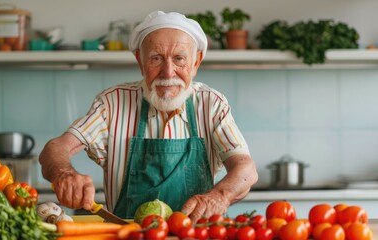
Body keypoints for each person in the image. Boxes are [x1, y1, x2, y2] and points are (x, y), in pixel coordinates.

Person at [39, 10, 258, 222]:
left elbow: (245, 168)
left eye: (179, 58)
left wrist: (219, 197)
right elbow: (56, 147)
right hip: (127, 235)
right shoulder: (112, 103)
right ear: (140, 60)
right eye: (156, 59)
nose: (168, 72)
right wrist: (63, 173)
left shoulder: (212, 104)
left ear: (196, 62)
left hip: (195, 234)